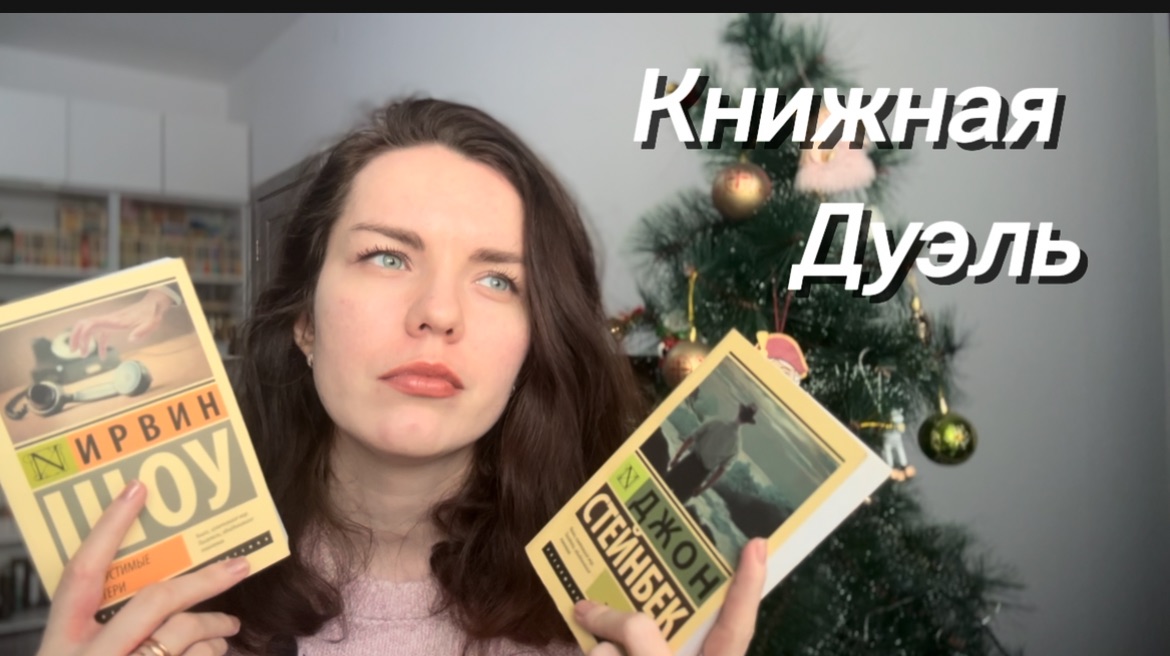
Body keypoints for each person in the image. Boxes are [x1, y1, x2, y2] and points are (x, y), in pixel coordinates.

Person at [35, 98, 767, 656]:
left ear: (533, 344)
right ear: (305, 320)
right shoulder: (167, 594)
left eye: (498, 281)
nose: (438, 313)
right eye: (388, 257)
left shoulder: (607, 617)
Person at [665, 402, 758, 505]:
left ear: (739, 411)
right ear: (747, 422)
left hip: (688, 463)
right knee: (675, 504)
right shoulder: (737, 445)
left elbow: (691, 438)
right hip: (699, 475)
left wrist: (677, 457)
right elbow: (720, 471)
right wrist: (703, 488)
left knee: (662, 489)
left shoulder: (717, 421)